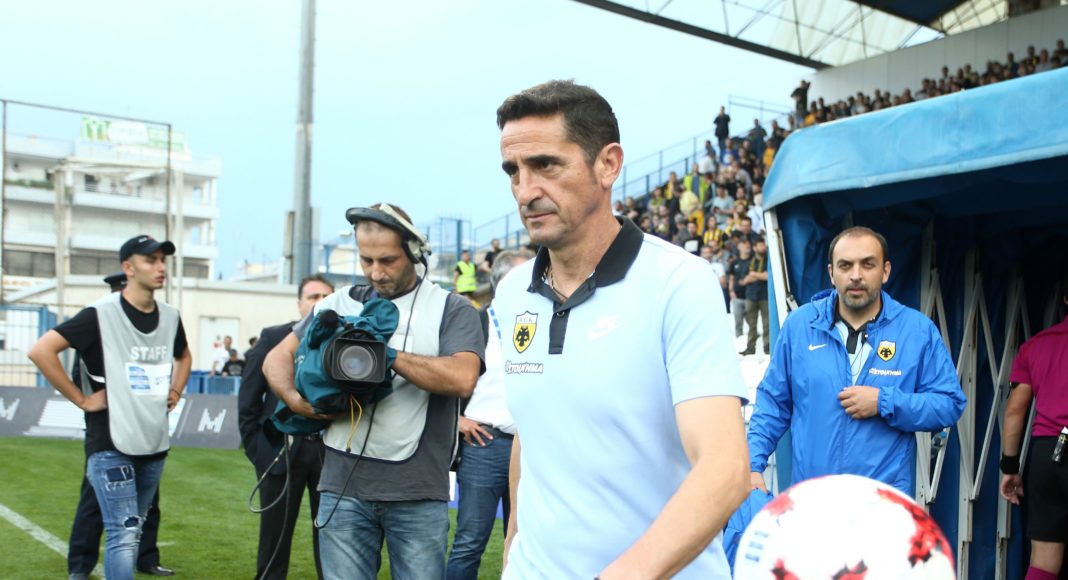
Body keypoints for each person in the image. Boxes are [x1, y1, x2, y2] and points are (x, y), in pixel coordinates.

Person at [494, 79, 749, 579]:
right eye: (513, 171)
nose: (526, 191)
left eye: (545, 165)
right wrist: (514, 546)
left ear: (608, 164)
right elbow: (535, 431)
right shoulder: (512, 292)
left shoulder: (679, 282)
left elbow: (725, 468)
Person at [264, 203, 484, 580]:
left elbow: (463, 377)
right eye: (366, 260)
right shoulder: (336, 303)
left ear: (414, 252)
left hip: (418, 493)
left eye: (387, 260)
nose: (376, 272)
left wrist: (382, 355)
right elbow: (275, 358)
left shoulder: (451, 308)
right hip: (341, 487)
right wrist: (295, 401)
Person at [747, 226, 965, 496]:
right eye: (845, 265)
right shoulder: (800, 325)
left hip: (882, 505)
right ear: (831, 273)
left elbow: (949, 404)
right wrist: (753, 464)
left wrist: (884, 402)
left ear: (885, 271)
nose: (856, 275)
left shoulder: (917, 331)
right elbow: (772, 402)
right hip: (812, 502)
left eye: (868, 264)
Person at [28, 235, 192, 580]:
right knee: (124, 531)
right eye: (150, 260)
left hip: (153, 441)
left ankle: (120, 563)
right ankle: (80, 566)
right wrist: (82, 399)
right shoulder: (99, 315)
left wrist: (176, 390)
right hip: (109, 441)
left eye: (163, 260)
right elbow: (41, 351)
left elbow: (184, 355)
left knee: (135, 528)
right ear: (128, 268)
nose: (160, 267)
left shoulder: (171, 316)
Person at [66, 272, 172, 580]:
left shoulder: (149, 331)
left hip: (145, 433)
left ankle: (147, 558)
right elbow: (80, 378)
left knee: (149, 503)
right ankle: (80, 564)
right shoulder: (97, 326)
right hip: (108, 435)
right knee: (93, 501)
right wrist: (90, 401)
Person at [238, 274, 334, 580]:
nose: (319, 302)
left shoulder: (344, 340)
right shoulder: (273, 337)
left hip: (329, 451)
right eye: (313, 297)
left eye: (326, 297)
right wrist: (258, 450)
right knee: (274, 539)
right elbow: (248, 399)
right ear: (299, 304)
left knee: (332, 538)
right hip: (280, 451)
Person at [446, 249, 534, 580]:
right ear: (502, 281)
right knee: (470, 542)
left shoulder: (539, 321)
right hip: (485, 444)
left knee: (526, 542)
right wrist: (457, 420)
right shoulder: (475, 322)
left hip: (530, 446)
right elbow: (445, 375)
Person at [999, 273, 1068, 580]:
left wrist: (1009, 467)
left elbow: (1015, 410)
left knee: (1043, 561)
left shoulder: (1035, 346)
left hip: (1048, 456)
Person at [740, 237, 770, 356]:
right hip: (751, 296)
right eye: (760, 245)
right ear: (755, 248)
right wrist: (760, 275)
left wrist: (753, 274)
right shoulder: (749, 262)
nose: (763, 247)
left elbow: (768, 276)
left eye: (763, 245)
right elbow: (744, 280)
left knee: (767, 324)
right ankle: (750, 347)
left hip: (764, 296)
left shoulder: (768, 261)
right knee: (751, 324)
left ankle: (767, 346)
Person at [728, 238, 752, 338]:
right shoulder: (734, 262)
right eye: (744, 244)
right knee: (738, 322)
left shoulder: (753, 261)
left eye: (748, 244)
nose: (747, 246)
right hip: (737, 296)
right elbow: (732, 278)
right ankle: (738, 339)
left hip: (750, 296)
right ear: (739, 247)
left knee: (752, 322)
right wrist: (731, 291)